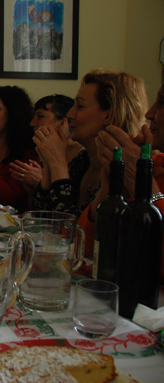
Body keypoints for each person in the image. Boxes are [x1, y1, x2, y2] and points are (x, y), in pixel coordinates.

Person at [82, 68, 164, 280]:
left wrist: (145, 190)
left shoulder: (145, 169)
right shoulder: (155, 165)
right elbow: (86, 250)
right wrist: (109, 191)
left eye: (162, 103)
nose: (149, 114)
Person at [32, 69, 147, 219]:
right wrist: (48, 164)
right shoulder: (83, 160)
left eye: (80, 106)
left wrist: (58, 163)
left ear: (108, 115)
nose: (70, 114)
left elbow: (71, 227)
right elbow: (41, 219)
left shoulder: (124, 169)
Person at [8, 94, 83, 210]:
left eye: (40, 116)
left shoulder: (83, 159)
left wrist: (42, 183)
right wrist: (34, 192)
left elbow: (70, 213)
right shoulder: (43, 155)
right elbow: (38, 212)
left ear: (62, 123)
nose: (32, 123)